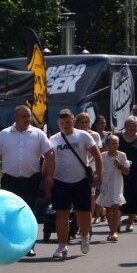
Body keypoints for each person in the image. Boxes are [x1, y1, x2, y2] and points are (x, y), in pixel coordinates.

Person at [0, 105, 53, 257]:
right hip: (10, 180)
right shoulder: (4, 134)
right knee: (9, 212)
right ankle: (9, 244)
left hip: (31, 179)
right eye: (23, 116)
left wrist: (49, 175)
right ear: (15, 118)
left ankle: (29, 245)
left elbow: (50, 154)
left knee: (29, 212)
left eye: (28, 116)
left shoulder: (38, 134)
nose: (27, 119)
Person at [43, 109, 103, 259]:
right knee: (61, 213)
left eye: (68, 122)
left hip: (81, 180)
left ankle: (84, 235)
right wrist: (47, 177)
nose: (65, 125)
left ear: (73, 121)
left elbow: (97, 155)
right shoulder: (54, 139)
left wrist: (99, 174)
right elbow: (47, 160)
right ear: (58, 124)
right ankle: (62, 246)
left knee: (82, 212)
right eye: (62, 123)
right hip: (60, 181)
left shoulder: (83, 136)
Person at [95, 135, 130, 242]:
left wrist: (120, 166)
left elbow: (127, 172)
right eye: (113, 143)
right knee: (108, 208)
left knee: (115, 206)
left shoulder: (122, 155)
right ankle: (111, 230)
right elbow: (98, 170)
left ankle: (115, 231)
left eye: (117, 143)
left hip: (117, 184)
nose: (115, 145)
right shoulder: (102, 156)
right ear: (107, 145)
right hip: (106, 184)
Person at [75, 113, 104, 226]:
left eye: (86, 122)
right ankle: (78, 221)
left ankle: (89, 221)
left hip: (90, 166)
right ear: (77, 123)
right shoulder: (75, 134)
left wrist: (87, 160)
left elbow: (98, 152)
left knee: (91, 194)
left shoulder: (95, 135)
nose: (84, 124)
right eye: (81, 122)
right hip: (77, 166)